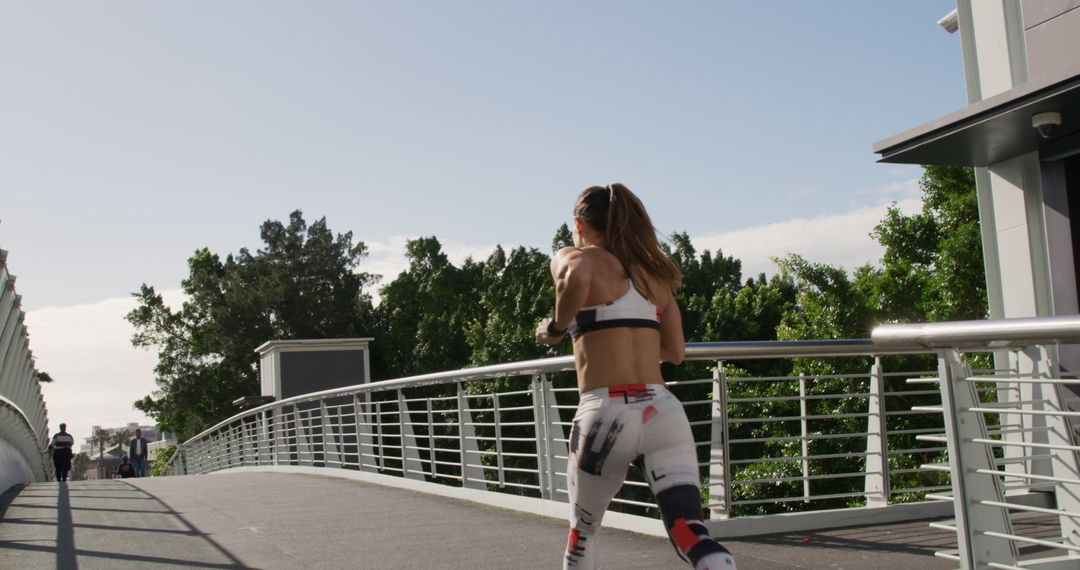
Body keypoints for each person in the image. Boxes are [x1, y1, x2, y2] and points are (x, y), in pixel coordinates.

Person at [536, 183, 736, 570]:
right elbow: (675, 352)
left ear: (579, 223)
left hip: (605, 412)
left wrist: (556, 328)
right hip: (662, 411)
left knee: (583, 535)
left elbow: (574, 277)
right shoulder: (655, 276)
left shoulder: (575, 257)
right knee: (687, 528)